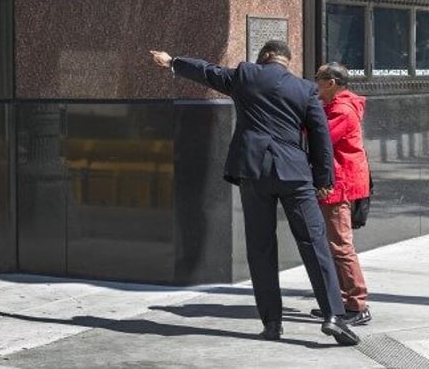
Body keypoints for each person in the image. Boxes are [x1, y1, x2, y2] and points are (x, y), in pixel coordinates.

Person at [149, 40, 359, 346]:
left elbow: (208, 72)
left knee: (261, 248)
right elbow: (320, 137)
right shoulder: (305, 89)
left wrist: (172, 61)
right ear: (287, 61)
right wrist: (323, 178)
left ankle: (272, 323)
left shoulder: (247, 75)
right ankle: (334, 317)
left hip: (254, 171)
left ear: (264, 57)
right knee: (314, 244)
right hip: (295, 174)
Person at [312, 62, 372, 325]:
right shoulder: (335, 107)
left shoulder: (342, 110)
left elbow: (318, 138)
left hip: (339, 185)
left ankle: (357, 305)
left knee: (340, 246)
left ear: (331, 83)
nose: (314, 83)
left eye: (318, 79)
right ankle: (338, 303)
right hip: (336, 182)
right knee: (332, 245)